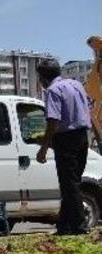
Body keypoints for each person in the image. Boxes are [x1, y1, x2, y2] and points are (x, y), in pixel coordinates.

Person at [34, 59, 93, 235]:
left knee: (69, 183)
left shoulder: (53, 90)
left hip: (66, 138)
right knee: (73, 182)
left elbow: (53, 119)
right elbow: (88, 106)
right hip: (82, 135)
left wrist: (44, 147)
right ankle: (64, 225)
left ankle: (79, 226)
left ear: (43, 77)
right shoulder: (76, 84)